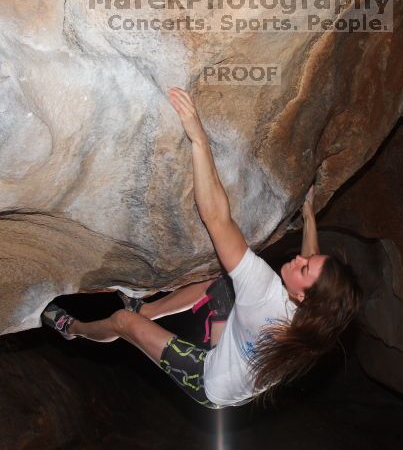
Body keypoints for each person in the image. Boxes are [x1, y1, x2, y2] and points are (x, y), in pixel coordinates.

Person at [41, 87, 362, 408]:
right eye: (309, 260)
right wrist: (309, 217)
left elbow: (217, 218)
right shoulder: (317, 321)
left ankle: (71, 328)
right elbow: (310, 262)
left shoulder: (264, 291)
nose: (298, 259)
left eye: (303, 268)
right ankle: (149, 309)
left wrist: (199, 140)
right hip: (234, 356)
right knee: (220, 282)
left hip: (210, 382)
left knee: (124, 323)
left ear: (302, 296)